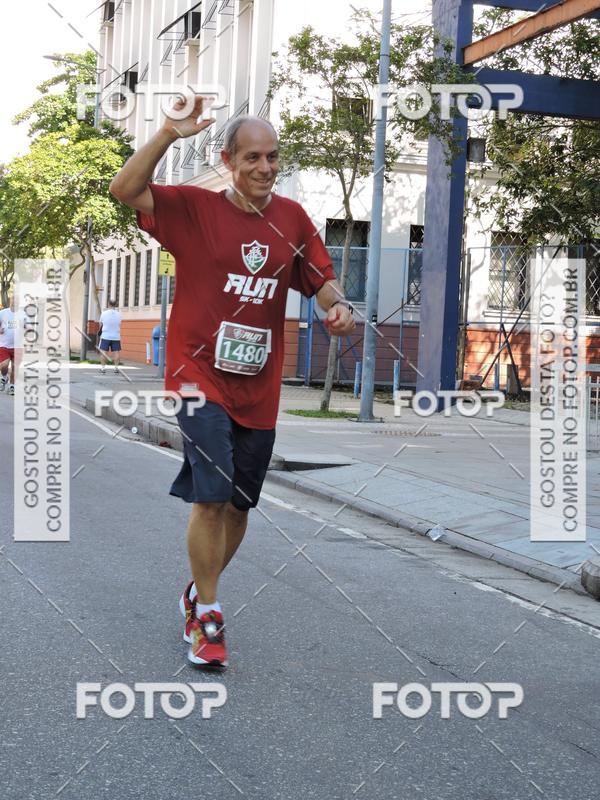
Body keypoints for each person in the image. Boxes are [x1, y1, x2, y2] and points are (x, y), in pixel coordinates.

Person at [109, 96, 355, 668]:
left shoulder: (292, 219)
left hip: (258, 385)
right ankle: (210, 618)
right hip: (197, 375)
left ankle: (198, 594)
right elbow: (125, 189)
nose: (265, 167)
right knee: (214, 492)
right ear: (228, 161)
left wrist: (338, 307)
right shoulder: (193, 209)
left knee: (240, 506)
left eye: (272, 157)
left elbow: (322, 281)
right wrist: (168, 134)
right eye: (252, 157)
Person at [98, 299, 123, 374]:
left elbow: (100, 324)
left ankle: (103, 368)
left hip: (105, 336)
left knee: (103, 352)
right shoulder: (119, 314)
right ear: (116, 305)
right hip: (116, 336)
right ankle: (116, 368)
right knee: (116, 352)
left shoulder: (104, 313)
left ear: (108, 304)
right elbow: (119, 324)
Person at [0, 295, 17, 396]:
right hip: (4, 345)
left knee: (15, 367)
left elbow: (27, 326)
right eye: (14, 299)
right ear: (10, 300)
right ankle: (4, 377)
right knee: (4, 365)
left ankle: (12, 387)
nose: (15, 301)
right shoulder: (3, 313)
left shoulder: (23, 314)